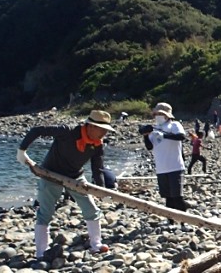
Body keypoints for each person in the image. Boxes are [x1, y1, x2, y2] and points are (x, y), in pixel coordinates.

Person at [17, 110, 116, 259]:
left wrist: (101, 191)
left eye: (106, 130)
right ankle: (41, 252)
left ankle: (96, 245)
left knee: (91, 209)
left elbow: (97, 169)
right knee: (45, 213)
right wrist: (22, 151)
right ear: (90, 126)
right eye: (102, 129)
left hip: (75, 177)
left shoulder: (97, 144)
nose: (104, 133)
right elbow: (36, 130)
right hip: (50, 175)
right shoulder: (67, 131)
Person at [140, 102, 190, 213]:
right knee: (168, 198)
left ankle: (184, 219)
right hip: (161, 168)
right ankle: (171, 221)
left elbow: (181, 136)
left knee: (177, 197)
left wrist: (165, 135)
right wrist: (146, 136)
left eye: (160, 114)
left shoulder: (174, 125)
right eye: (156, 114)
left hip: (175, 167)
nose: (158, 116)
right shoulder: (154, 129)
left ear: (167, 115)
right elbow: (149, 147)